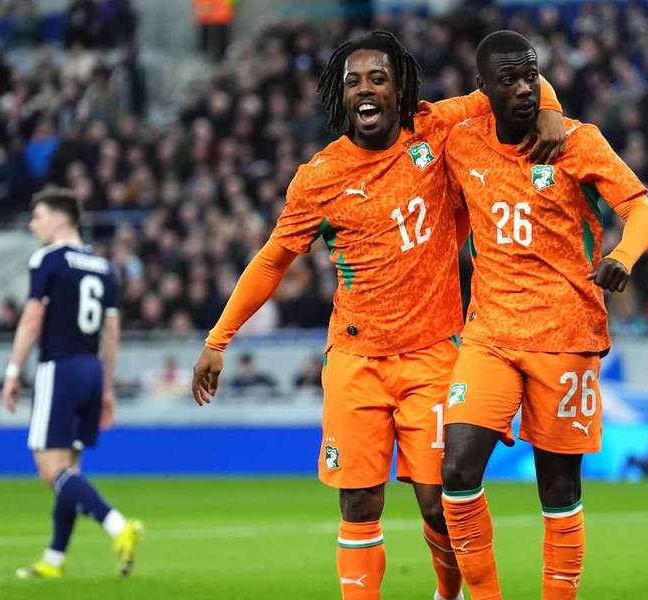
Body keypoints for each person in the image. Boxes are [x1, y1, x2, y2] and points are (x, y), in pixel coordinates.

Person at [192, 30, 566, 600]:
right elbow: (272, 261)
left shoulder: (434, 127)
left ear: (401, 91)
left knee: (439, 502)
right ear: (341, 97)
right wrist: (219, 339)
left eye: (377, 78)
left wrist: (551, 113)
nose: (364, 89)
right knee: (359, 500)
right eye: (352, 82)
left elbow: (519, 84)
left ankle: (449, 591)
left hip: (434, 354)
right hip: (354, 360)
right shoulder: (319, 177)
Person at [439, 31, 648, 600]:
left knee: (558, 487)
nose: (522, 89)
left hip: (566, 334)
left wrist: (621, 256)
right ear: (482, 89)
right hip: (488, 334)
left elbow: (643, 214)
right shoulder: (461, 140)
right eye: (507, 80)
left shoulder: (578, 142)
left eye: (530, 76)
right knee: (457, 471)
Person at [1, 187, 143, 580]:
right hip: (92, 372)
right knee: (70, 471)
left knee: (51, 471)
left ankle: (118, 526)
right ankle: (54, 559)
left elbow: (32, 319)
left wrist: (13, 371)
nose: (33, 224)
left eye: (38, 216)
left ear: (61, 218)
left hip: (59, 368)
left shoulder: (48, 259)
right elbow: (112, 333)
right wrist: (108, 388)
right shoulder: (104, 266)